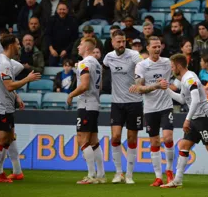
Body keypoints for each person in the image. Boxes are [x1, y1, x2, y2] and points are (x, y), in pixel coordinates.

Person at [159, 54, 208, 190]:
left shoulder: (190, 79)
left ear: (179, 66)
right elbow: (182, 99)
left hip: (204, 118)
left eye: (172, 66)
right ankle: (177, 180)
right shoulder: (184, 79)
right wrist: (167, 90)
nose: (171, 69)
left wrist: (187, 120)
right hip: (196, 118)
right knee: (184, 146)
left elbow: (196, 100)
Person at [0, 34, 41, 183]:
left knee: (8, 137)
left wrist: (16, 96)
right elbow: (8, 85)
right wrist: (27, 79)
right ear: (10, 45)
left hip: (6, 104)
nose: (19, 46)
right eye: (17, 43)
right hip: (0, 106)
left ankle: (11, 171)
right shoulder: (5, 64)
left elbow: (4, 85)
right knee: (1, 139)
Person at [129, 36, 174, 187]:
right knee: (154, 141)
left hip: (166, 106)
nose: (157, 49)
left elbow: (181, 74)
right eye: (154, 47)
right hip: (150, 108)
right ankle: (158, 177)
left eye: (159, 46)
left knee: (167, 138)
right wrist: (156, 86)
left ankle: (169, 171)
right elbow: (139, 88)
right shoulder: (142, 66)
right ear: (147, 48)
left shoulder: (167, 63)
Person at [103, 30, 143, 184]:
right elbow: (103, 69)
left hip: (134, 102)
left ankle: (129, 175)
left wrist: (138, 83)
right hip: (117, 103)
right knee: (115, 137)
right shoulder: (108, 57)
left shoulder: (133, 55)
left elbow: (142, 65)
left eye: (123, 42)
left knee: (132, 138)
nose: (121, 44)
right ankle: (118, 173)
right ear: (112, 42)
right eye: (118, 42)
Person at [67, 37, 105, 184]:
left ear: (87, 49)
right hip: (94, 104)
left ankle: (91, 175)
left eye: (80, 45)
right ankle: (100, 175)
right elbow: (100, 86)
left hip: (86, 105)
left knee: (82, 140)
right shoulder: (96, 63)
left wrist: (71, 95)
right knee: (94, 141)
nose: (78, 47)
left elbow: (84, 85)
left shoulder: (84, 63)